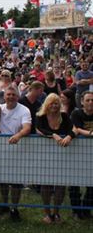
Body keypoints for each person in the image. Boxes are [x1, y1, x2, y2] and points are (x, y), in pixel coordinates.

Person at [36, 93, 75, 224]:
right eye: (51, 103)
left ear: (60, 104)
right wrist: (54, 135)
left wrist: (69, 137)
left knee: (60, 185)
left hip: (62, 157)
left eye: (56, 103)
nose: (54, 105)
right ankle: (47, 214)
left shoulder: (64, 116)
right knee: (46, 185)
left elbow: (72, 129)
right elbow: (39, 129)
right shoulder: (40, 116)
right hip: (44, 156)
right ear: (47, 104)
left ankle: (56, 213)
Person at [0, 86, 31, 221]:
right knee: (2, 180)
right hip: (1, 150)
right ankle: (4, 204)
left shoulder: (24, 110)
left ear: (17, 96)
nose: (10, 97)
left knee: (16, 182)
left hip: (18, 149)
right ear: (4, 96)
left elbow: (27, 128)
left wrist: (18, 135)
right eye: (8, 94)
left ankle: (14, 208)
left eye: (13, 95)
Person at [69, 91, 93, 220]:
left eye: (92, 100)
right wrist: (90, 133)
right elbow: (76, 128)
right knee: (74, 184)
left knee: (92, 184)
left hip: (91, 154)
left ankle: (87, 209)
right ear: (82, 102)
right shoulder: (76, 113)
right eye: (88, 100)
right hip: (77, 153)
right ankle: (76, 210)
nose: (90, 102)